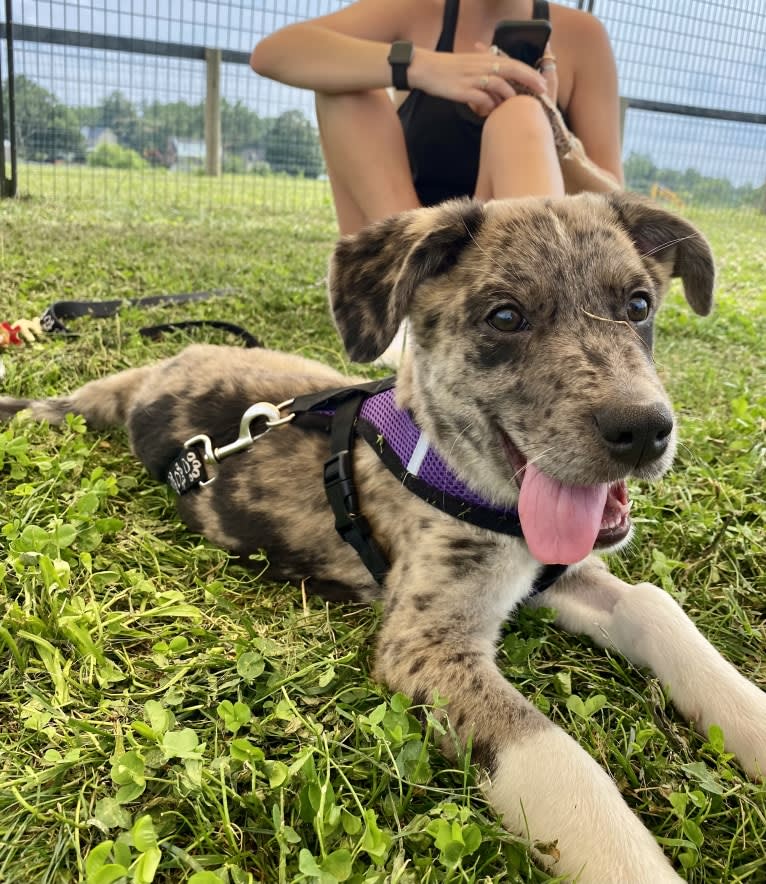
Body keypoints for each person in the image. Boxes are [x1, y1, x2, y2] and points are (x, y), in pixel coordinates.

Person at [250, 0, 623, 238]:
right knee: (342, 82)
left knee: (521, 117)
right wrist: (423, 67)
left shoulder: (582, 36)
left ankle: (526, 305)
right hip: (414, 247)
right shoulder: (414, 10)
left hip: (512, 267)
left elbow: (619, 212)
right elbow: (274, 53)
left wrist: (553, 132)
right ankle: (406, 291)